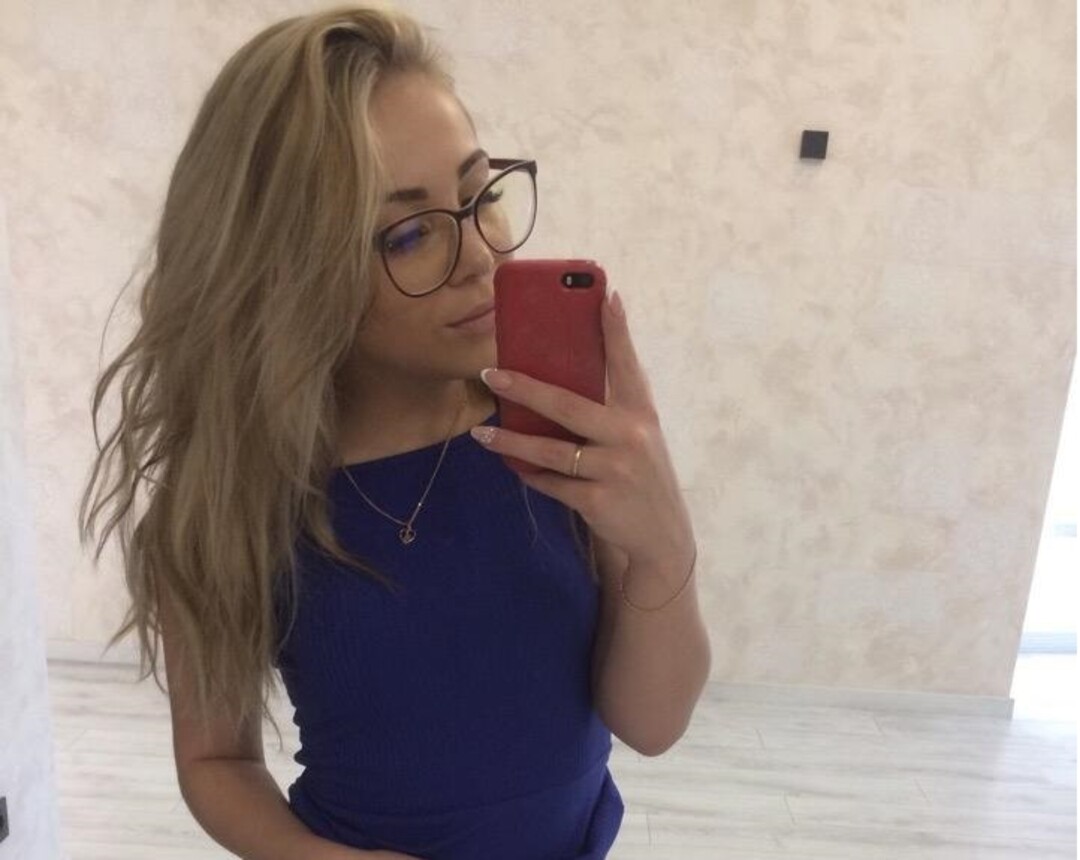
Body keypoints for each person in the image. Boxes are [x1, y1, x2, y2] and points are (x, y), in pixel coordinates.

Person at [78, 5, 712, 859]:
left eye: (481, 196)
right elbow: (216, 760)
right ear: (287, 271)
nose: (481, 255)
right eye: (410, 234)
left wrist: (665, 551)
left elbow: (653, 724)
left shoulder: (555, 439)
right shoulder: (240, 498)